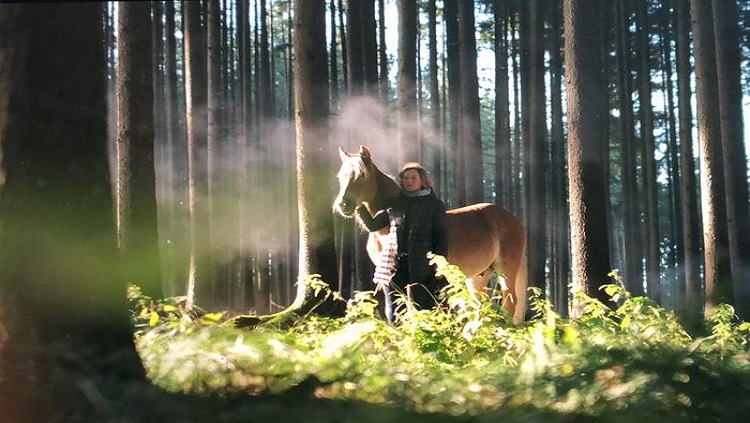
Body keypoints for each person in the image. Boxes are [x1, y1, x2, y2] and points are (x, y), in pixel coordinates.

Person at [356, 162, 449, 323]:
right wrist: (358, 206)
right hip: (392, 264)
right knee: (395, 310)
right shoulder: (393, 203)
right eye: (406, 178)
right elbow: (373, 226)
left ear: (422, 180)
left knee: (424, 309)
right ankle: (398, 344)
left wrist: (439, 264)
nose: (409, 181)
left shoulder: (434, 205)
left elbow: (441, 236)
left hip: (422, 266)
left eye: (414, 177)